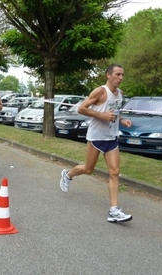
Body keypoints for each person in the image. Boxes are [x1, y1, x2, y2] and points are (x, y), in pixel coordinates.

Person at [59, 64, 133, 223]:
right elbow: (81, 109)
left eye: (122, 75)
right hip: (96, 137)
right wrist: (102, 115)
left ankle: (113, 210)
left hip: (111, 137)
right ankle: (68, 174)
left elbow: (114, 113)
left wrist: (123, 119)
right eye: (118, 74)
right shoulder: (100, 91)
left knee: (114, 172)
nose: (120, 78)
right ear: (108, 75)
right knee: (88, 169)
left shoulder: (120, 94)